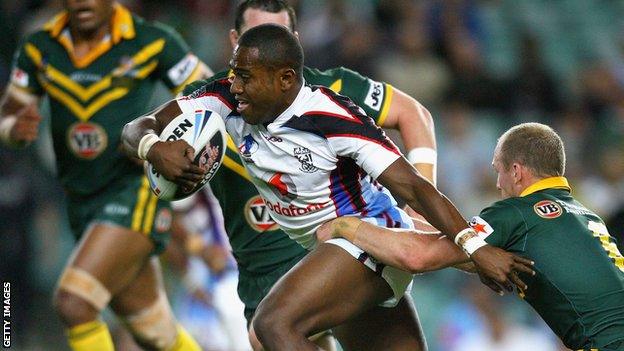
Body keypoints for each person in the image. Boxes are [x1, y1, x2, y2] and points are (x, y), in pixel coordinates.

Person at [122, 24, 533, 351]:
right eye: (234, 73)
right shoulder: (226, 99)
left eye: (246, 77)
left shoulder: (331, 117)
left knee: (273, 324)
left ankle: (518, 239)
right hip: (333, 255)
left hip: (368, 241)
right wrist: (153, 147)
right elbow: (139, 125)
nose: (236, 85)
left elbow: (414, 187)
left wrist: (473, 247)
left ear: (285, 79)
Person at [180, 0, 438, 349]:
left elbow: (414, 114)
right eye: (254, 36)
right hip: (267, 271)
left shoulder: (330, 88)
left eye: (279, 36)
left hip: (347, 250)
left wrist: (419, 209)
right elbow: (163, 164)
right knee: (266, 332)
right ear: (235, 42)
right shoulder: (213, 104)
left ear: (294, 44)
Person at [0, 1, 212, 350]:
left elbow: (209, 93)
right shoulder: (39, 47)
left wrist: (177, 141)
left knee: (74, 303)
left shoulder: (153, 42)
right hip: (82, 202)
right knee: (155, 332)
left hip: (134, 192)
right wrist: (13, 128)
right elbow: (10, 111)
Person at [320, 123, 624, 350]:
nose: (498, 183)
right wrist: (404, 224)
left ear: (516, 172)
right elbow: (464, 250)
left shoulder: (516, 212)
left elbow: (418, 256)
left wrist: (345, 226)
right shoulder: (580, 212)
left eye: (499, 171)